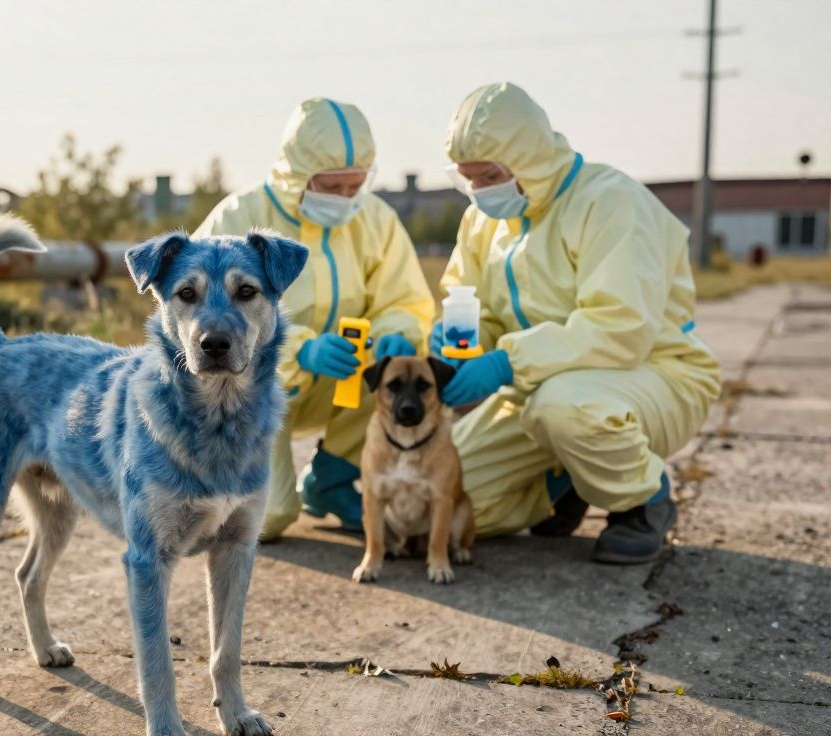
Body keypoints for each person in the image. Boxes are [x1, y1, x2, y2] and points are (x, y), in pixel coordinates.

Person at [435, 82, 721, 563]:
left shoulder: (610, 201)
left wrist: (507, 362)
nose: (480, 190)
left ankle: (642, 501)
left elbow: (620, 329)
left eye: (490, 175)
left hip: (654, 376)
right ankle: (566, 483)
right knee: (438, 509)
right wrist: (455, 338)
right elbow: (470, 302)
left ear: (528, 158)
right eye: (469, 178)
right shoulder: (481, 222)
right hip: (533, 392)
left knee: (564, 407)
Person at [195, 97, 435, 540]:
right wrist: (300, 349)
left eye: (354, 185)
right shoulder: (240, 218)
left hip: (339, 382)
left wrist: (396, 332)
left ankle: (330, 481)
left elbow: (403, 298)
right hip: (254, 391)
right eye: (330, 186)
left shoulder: (375, 220)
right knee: (265, 519)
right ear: (297, 174)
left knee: (399, 375)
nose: (344, 198)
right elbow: (207, 321)